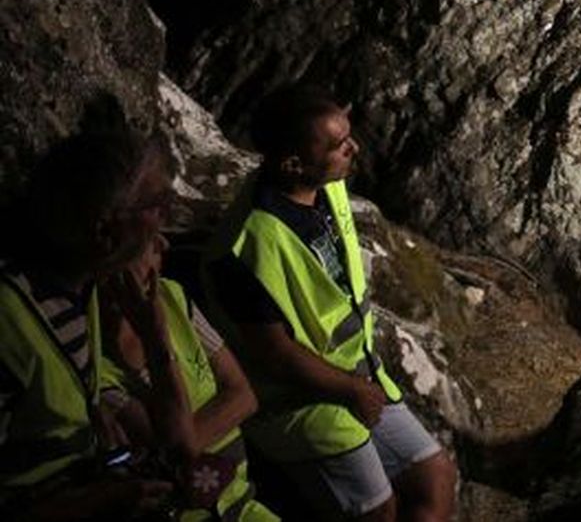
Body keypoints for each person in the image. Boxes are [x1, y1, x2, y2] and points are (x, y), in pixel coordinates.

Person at [206, 84, 456, 522]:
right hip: (302, 403)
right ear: (293, 163)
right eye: (340, 145)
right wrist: (352, 390)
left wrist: (361, 382)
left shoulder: (324, 186)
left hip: (358, 373)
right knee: (378, 513)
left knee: (435, 477)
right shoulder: (249, 244)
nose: (353, 149)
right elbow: (275, 353)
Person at [0, 111, 176, 520]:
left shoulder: (84, 286)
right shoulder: (10, 322)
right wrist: (97, 502)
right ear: (104, 231)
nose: (165, 224)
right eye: (159, 206)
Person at [101, 231, 280, 520]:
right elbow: (179, 447)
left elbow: (244, 395)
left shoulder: (172, 296)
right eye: (147, 239)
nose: (163, 243)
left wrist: (188, 442)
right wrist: (156, 338)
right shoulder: (96, 365)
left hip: (242, 503)